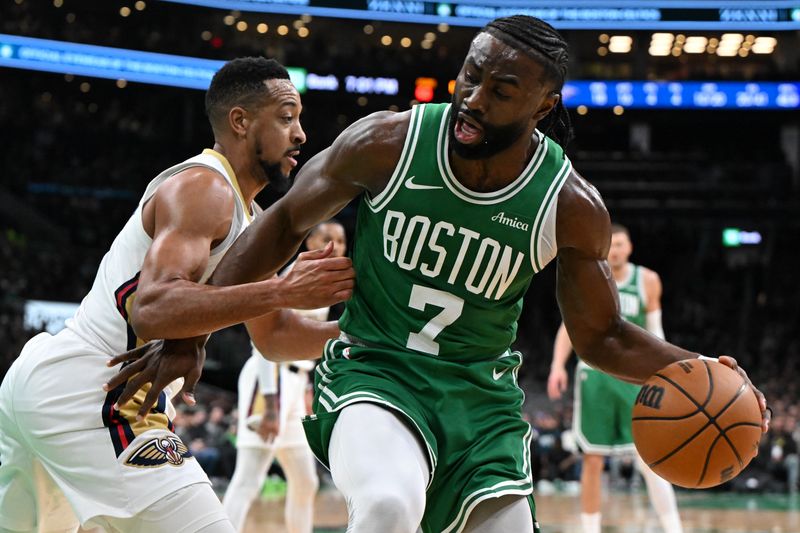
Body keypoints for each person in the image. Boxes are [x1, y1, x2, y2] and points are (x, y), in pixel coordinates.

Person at [107, 15, 769, 533]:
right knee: (390, 507)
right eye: (470, 76)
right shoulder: (387, 142)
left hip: (482, 403)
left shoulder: (568, 205)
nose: (473, 99)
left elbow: (604, 339)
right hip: (375, 371)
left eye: (501, 91)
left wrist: (702, 366)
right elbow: (279, 226)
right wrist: (195, 334)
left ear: (541, 108)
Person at [0, 57, 354, 533]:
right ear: (240, 120)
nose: (301, 135)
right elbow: (151, 309)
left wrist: (367, 333)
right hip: (95, 389)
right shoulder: (204, 188)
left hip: (51, 385)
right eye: (287, 117)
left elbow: (275, 338)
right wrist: (281, 288)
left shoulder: (249, 218)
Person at [547, 224, 683, 533]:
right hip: (595, 376)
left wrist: (664, 371)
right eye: (612, 245)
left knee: (651, 460)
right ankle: (589, 529)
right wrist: (557, 365)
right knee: (592, 460)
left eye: (621, 244)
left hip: (635, 379)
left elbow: (655, 334)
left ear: (630, 247)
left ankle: (674, 528)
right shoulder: (590, 281)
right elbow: (570, 327)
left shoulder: (647, 280)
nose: (616, 250)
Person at [223, 221, 347, 533]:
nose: (335, 246)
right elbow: (266, 345)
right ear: (309, 243)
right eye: (326, 238)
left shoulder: (330, 282)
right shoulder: (296, 277)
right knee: (249, 478)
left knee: (305, 481)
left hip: (295, 381)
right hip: (268, 380)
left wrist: (305, 389)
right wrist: (271, 403)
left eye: (341, 240)